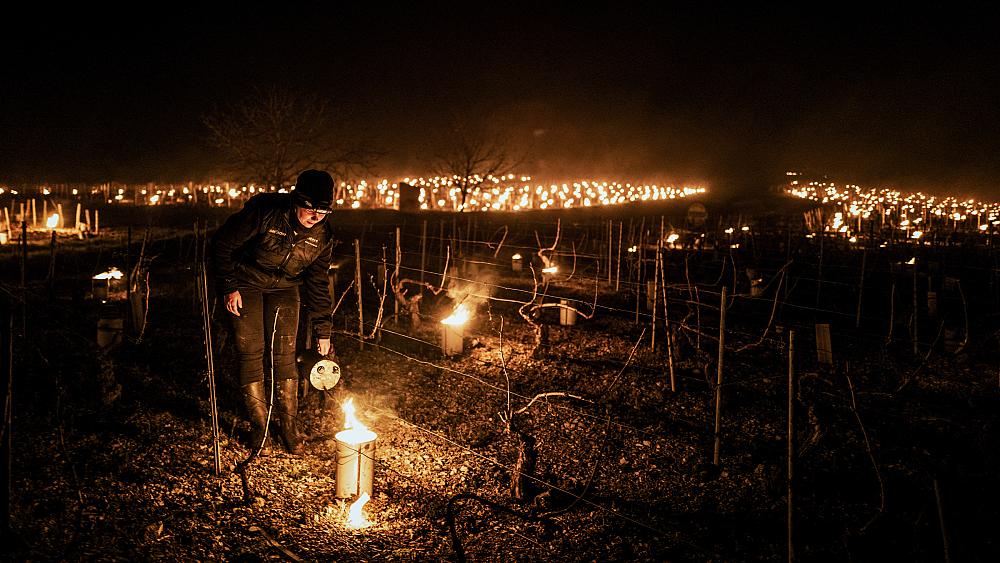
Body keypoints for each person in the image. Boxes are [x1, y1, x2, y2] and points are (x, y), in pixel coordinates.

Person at [211, 169, 337, 454]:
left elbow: (317, 283)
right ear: (296, 201)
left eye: (323, 210)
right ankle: (260, 429)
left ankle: (288, 429)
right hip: (246, 282)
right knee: (251, 350)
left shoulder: (324, 236)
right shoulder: (265, 212)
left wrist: (323, 330)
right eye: (310, 207)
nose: (315, 215)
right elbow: (222, 243)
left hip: (284, 288)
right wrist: (229, 285)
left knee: (284, 355)